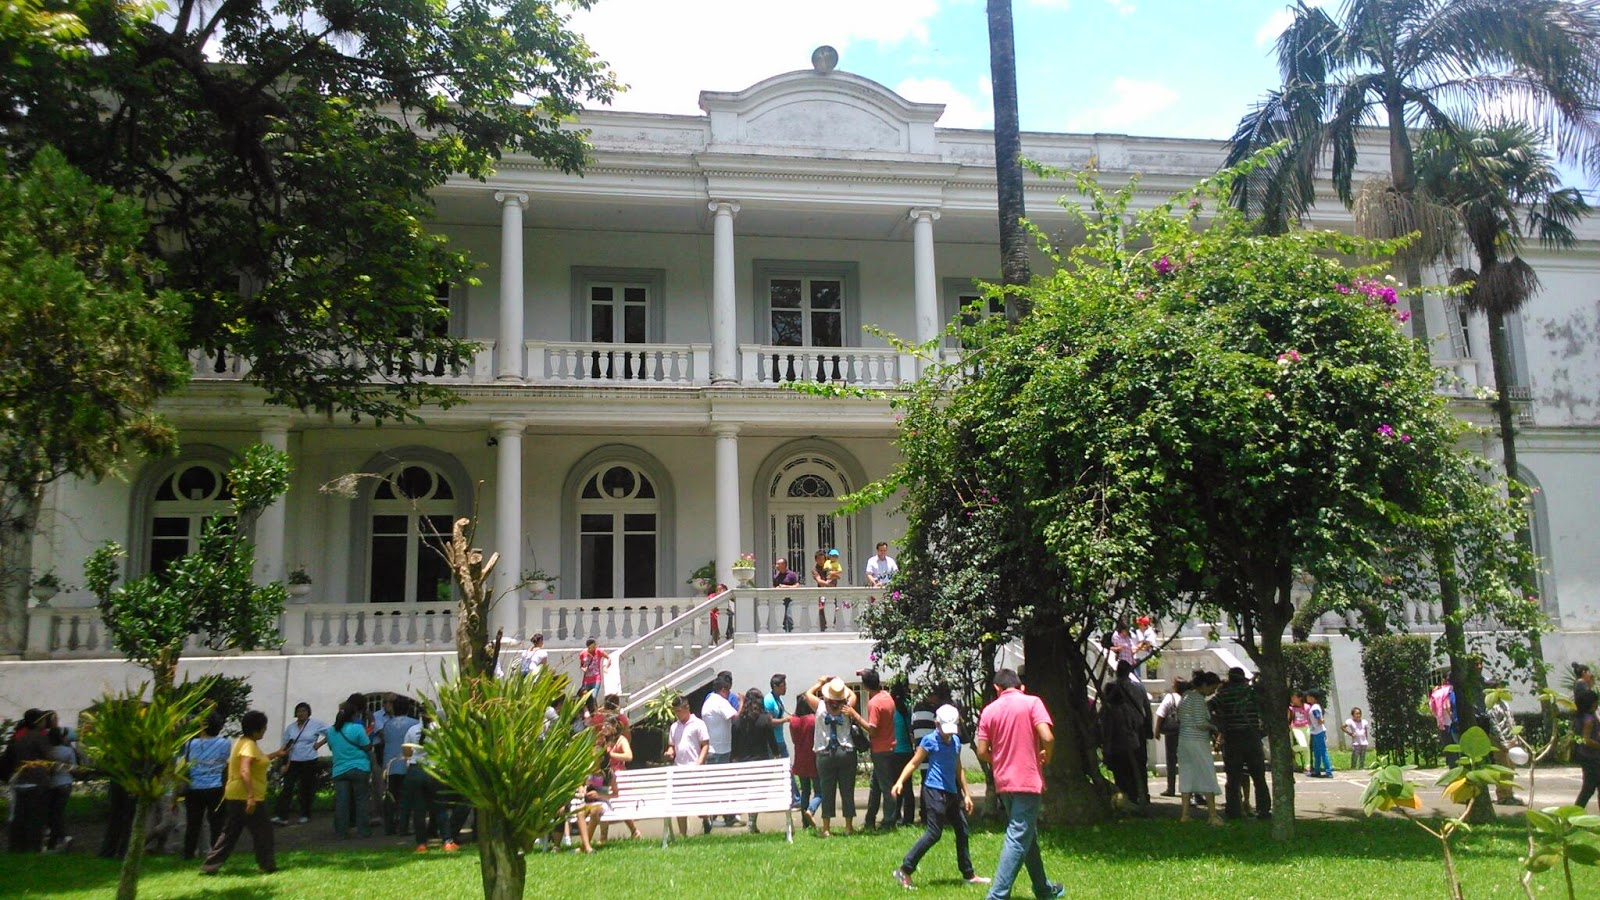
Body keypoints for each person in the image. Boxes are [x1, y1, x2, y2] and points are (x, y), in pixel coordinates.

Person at [976, 669, 1062, 900]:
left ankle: (1043, 889)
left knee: (1027, 834)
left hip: (1004, 781)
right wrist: (1047, 755)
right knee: (1018, 835)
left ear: (997, 688)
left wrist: (999, 758)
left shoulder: (989, 711)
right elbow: (1048, 737)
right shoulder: (1032, 703)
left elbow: (982, 750)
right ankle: (996, 895)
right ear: (1020, 686)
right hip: (1027, 780)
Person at [891, 704, 988, 890]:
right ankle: (904, 870)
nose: (947, 734)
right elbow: (913, 763)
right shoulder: (929, 741)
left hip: (951, 792)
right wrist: (900, 782)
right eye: (944, 729)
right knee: (934, 834)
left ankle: (969, 874)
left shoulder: (955, 742)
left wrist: (966, 794)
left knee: (962, 830)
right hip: (934, 791)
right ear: (936, 724)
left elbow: (958, 769)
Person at [200, 710, 276, 875]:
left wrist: (278, 754)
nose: (265, 730)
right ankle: (267, 864)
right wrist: (250, 797)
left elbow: (258, 762)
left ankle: (210, 866)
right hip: (246, 795)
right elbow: (245, 770)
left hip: (237, 794)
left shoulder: (245, 742)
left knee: (230, 832)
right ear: (256, 729)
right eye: (264, 727)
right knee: (264, 831)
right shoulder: (248, 745)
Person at [804, 676, 872, 837]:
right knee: (847, 790)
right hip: (846, 752)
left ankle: (826, 828)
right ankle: (848, 826)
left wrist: (821, 683)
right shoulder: (847, 707)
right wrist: (838, 682)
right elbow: (852, 695)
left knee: (827, 791)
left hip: (825, 753)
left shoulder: (820, 707)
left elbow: (808, 694)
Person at [1211, 668, 1270, 820]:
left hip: (1232, 738)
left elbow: (1209, 707)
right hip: (1252, 737)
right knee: (1258, 777)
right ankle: (1263, 810)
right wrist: (1262, 730)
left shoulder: (1223, 694)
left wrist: (1220, 725)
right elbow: (1265, 708)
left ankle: (1233, 810)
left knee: (1233, 778)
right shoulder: (1251, 693)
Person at [180, 712, 232, 859]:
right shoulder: (224, 743)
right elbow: (224, 763)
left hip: (194, 787)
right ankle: (216, 853)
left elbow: (185, 762)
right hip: (216, 787)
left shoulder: (190, 744)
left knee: (193, 823)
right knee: (217, 823)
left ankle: (188, 853)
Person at [1177, 671, 1223, 826]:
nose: (1213, 692)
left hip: (1184, 740)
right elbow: (1199, 722)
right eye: (1212, 688)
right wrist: (1214, 727)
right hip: (1197, 741)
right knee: (1207, 773)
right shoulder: (1197, 699)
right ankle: (1212, 814)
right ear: (1204, 685)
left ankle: (1185, 814)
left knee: (1186, 774)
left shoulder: (1185, 697)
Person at [732, 687, 779, 832]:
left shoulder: (738, 721)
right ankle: (752, 820)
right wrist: (777, 756)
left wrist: (734, 760)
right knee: (758, 792)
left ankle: (750, 818)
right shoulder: (765, 720)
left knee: (748, 791)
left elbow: (734, 744)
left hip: (744, 762)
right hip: (761, 762)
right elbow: (772, 742)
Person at [326, 696, 374, 839]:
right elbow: (367, 746)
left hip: (339, 769)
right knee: (361, 800)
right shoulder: (358, 728)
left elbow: (331, 747)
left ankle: (341, 832)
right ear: (353, 715)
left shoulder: (331, 731)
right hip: (359, 767)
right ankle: (363, 831)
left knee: (342, 802)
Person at [271, 702, 326, 826]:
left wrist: (319, 744)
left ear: (308, 713)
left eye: (304, 711)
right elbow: (286, 744)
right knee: (287, 787)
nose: (301, 713)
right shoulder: (291, 728)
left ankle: (305, 814)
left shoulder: (316, 724)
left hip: (309, 760)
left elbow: (330, 733)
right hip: (293, 760)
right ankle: (282, 816)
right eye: (299, 711)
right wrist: (283, 762)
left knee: (305, 788)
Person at [663, 695, 710, 837]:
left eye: (679, 710)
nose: (677, 714)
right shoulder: (674, 727)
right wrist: (670, 752)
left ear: (687, 708)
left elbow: (705, 745)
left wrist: (699, 761)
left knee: (698, 803)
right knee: (679, 804)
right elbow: (672, 746)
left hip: (694, 768)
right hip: (679, 769)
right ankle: (682, 834)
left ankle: (706, 818)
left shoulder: (698, 724)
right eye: (675, 711)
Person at [862, 668, 902, 830]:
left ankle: (889, 820)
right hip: (890, 746)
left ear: (865, 686)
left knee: (885, 787)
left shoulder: (874, 703)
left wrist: (855, 716)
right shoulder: (887, 697)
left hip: (880, 749)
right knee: (876, 785)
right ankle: (870, 819)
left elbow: (872, 729)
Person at [700, 674, 739, 831]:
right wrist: (742, 702)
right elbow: (736, 717)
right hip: (719, 750)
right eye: (728, 691)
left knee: (718, 784)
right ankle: (713, 816)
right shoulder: (720, 702)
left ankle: (721, 815)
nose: (729, 694)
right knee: (719, 785)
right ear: (723, 690)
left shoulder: (709, 701)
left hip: (717, 748)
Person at [380, 697, 418, 835]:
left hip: (390, 764)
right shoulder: (414, 724)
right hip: (407, 763)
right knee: (406, 798)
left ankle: (389, 827)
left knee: (390, 797)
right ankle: (403, 826)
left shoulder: (388, 724)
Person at [44, 722, 79, 853]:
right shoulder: (68, 751)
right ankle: (61, 839)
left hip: (52, 784)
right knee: (58, 813)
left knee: (53, 814)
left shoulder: (48, 751)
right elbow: (74, 768)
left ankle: (58, 840)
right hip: (65, 783)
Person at [763, 674, 796, 805]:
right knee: (777, 770)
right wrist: (786, 720)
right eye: (783, 686)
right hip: (773, 741)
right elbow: (769, 721)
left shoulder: (778, 699)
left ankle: (794, 798)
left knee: (787, 769)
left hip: (779, 739)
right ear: (775, 686)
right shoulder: (769, 700)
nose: (785, 688)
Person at [789, 694, 820, 826]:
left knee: (805, 791)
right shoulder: (814, 720)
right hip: (813, 757)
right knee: (820, 790)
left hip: (800, 758)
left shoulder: (793, 721)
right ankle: (811, 810)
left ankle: (804, 821)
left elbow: (794, 740)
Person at [890, 680, 918, 826]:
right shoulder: (907, 706)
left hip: (896, 751)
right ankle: (909, 818)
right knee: (908, 787)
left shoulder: (892, 708)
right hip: (908, 751)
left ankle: (896, 815)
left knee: (896, 784)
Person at [1154, 678, 1187, 797]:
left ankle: (1171, 788)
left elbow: (1161, 714)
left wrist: (1157, 730)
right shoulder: (1187, 699)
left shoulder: (1170, 697)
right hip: (1185, 732)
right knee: (1185, 761)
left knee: (1171, 761)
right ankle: (1186, 789)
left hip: (1172, 733)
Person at [1572, 690, 1600, 811]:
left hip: (1587, 756)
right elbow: (1587, 740)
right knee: (1588, 789)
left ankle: (1573, 814)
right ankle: (1573, 815)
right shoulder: (1589, 719)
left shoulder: (1581, 717)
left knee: (1589, 788)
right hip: (1592, 758)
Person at [1307, 690, 1334, 778]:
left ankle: (1328, 771)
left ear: (1312, 698)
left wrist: (1320, 721)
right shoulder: (1315, 707)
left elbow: (1319, 719)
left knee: (1322, 751)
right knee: (1317, 752)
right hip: (1315, 731)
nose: (1307, 698)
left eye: (1308, 696)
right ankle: (1317, 770)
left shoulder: (1314, 708)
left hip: (1318, 732)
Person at [578, 639, 609, 711]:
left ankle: (595, 712)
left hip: (596, 679)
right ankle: (593, 711)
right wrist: (583, 669)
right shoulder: (583, 654)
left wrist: (606, 666)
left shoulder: (598, 651)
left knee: (593, 696)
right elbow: (581, 665)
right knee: (586, 698)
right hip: (586, 680)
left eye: (595, 645)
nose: (595, 647)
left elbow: (608, 658)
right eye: (593, 646)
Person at [1287, 691, 1311, 773]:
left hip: (1306, 727)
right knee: (1303, 745)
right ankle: (1291, 751)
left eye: (1294, 697)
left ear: (1300, 698)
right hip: (1296, 728)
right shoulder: (1291, 708)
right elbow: (1289, 719)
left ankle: (1307, 766)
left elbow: (1310, 717)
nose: (1292, 699)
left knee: (1307, 747)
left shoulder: (1307, 707)